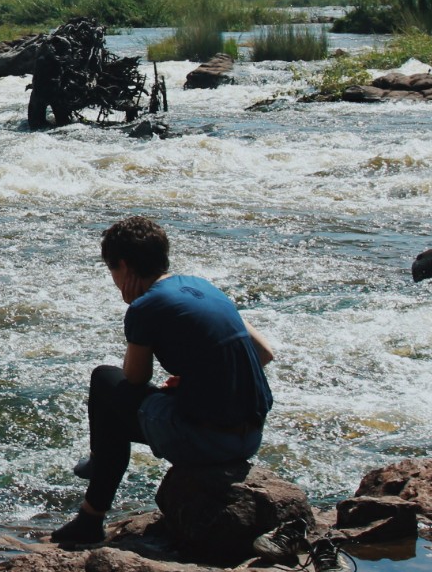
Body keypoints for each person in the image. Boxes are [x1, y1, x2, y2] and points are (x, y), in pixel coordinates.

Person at [51, 216, 275, 546]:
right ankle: (93, 498)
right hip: (250, 436)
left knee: (104, 382)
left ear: (124, 267)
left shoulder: (146, 306)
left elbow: (134, 378)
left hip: (207, 442)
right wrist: (193, 381)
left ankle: (91, 511)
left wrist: (135, 310)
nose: (114, 281)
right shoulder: (204, 287)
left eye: (112, 271)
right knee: (120, 399)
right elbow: (264, 353)